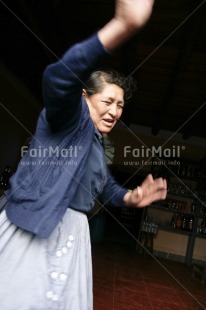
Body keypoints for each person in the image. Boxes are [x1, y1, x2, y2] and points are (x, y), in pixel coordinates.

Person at [0, 0, 167, 309]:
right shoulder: (68, 117)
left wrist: (131, 197)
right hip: (34, 227)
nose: (115, 111)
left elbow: (104, 186)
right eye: (108, 101)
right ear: (84, 97)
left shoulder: (98, 144)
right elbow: (57, 76)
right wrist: (122, 26)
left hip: (73, 235)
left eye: (120, 105)